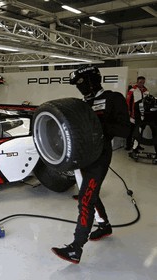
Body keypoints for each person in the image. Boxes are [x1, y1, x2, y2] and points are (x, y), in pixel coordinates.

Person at [51, 66, 130, 264]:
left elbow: (126, 129)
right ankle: (104, 226)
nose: (79, 88)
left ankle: (76, 248)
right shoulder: (83, 103)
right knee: (90, 194)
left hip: (100, 157)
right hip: (83, 156)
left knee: (85, 199)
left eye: (80, 83)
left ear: (91, 80)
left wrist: (99, 127)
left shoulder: (114, 98)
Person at [126, 76, 149, 150]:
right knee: (131, 131)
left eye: (143, 82)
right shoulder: (132, 90)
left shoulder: (146, 91)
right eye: (140, 82)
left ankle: (137, 145)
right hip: (133, 115)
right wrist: (128, 112)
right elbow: (128, 102)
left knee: (140, 131)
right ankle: (128, 145)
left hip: (142, 115)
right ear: (137, 82)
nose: (141, 84)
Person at [131, 93, 157, 160]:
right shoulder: (137, 104)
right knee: (137, 132)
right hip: (142, 118)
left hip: (153, 119)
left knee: (156, 133)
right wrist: (139, 126)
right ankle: (134, 149)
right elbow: (137, 118)